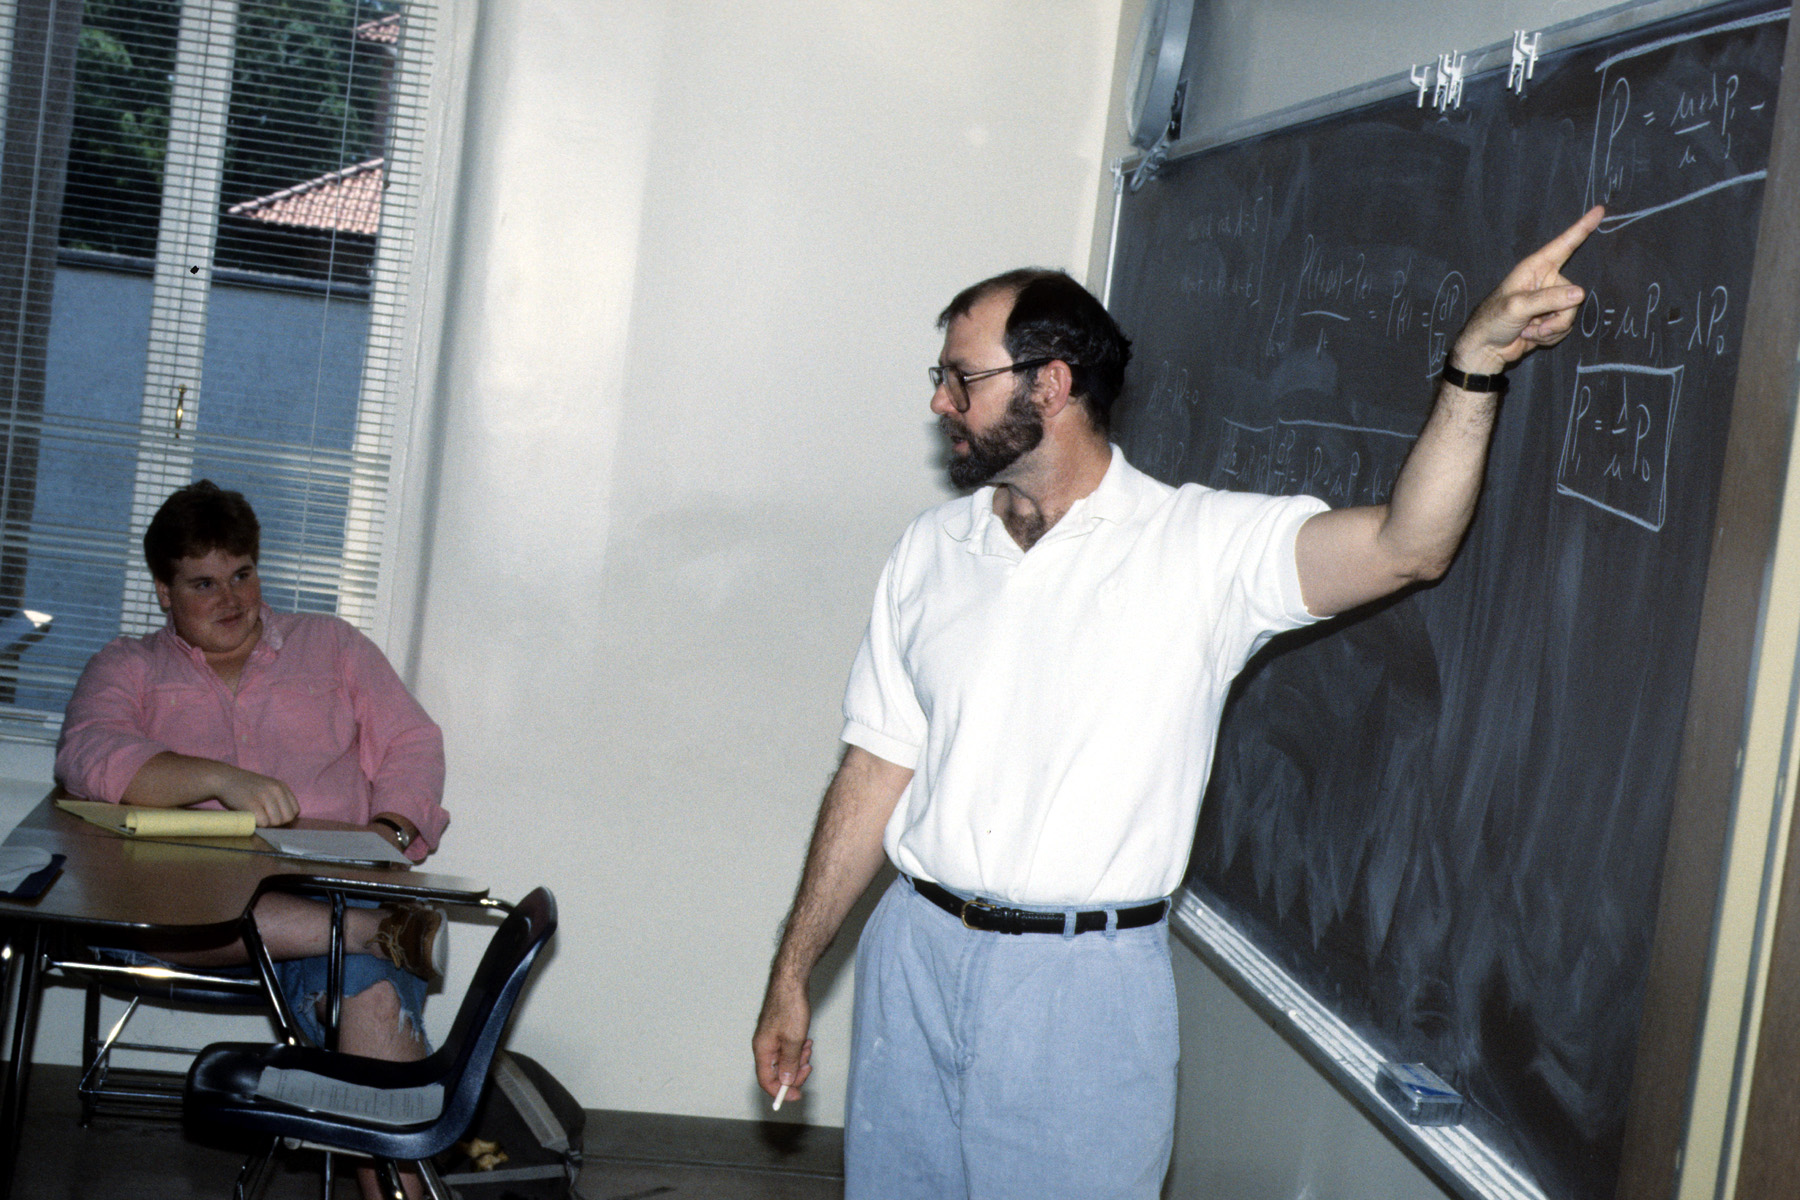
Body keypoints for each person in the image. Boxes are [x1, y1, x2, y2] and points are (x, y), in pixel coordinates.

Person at [752, 207, 1605, 1198]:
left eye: (961, 377)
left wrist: (1475, 366)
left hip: (1081, 989)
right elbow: (873, 770)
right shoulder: (928, 552)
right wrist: (792, 970)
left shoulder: (1197, 548)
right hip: (914, 954)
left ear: (1051, 385)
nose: (940, 400)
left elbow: (1407, 546)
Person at [56, 480, 449, 1200]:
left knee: (369, 994)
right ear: (164, 591)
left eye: (242, 574)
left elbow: (413, 743)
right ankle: (373, 931)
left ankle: (363, 942)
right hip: (186, 908)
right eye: (203, 583)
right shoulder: (127, 665)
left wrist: (389, 832)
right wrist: (218, 777)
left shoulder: (331, 645)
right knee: (347, 941)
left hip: (325, 882)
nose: (231, 599)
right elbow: (87, 753)